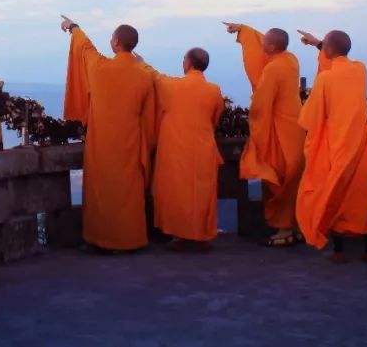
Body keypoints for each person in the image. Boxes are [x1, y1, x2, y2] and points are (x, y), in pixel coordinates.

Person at [61, 17, 156, 251]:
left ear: (115, 42)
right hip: (131, 142)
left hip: (102, 143)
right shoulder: (144, 74)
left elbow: (85, 48)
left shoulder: (100, 68)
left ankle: (102, 240)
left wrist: (74, 27)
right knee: (128, 191)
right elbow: (151, 112)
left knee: (103, 191)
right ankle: (130, 239)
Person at [295, 29, 367, 264]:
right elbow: (336, 53)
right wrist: (319, 43)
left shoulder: (326, 78)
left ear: (328, 51)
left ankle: (340, 250)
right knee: (360, 192)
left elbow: (310, 117)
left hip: (337, 143)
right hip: (360, 144)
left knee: (334, 190)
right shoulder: (360, 69)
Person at [224, 22, 305, 247]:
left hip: (279, 131)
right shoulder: (291, 60)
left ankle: (285, 228)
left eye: (265, 43)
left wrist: (255, 123)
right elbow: (269, 39)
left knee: (277, 177)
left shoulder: (272, 69)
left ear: (269, 47)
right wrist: (244, 30)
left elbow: (261, 104)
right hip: (296, 129)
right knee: (293, 178)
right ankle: (295, 227)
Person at [140, 47, 224, 250]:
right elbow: (215, 117)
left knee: (176, 192)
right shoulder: (214, 90)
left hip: (176, 149)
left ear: (187, 63)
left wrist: (142, 62)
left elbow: (156, 77)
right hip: (203, 148)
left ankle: (181, 236)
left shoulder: (173, 85)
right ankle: (202, 235)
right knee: (202, 193)